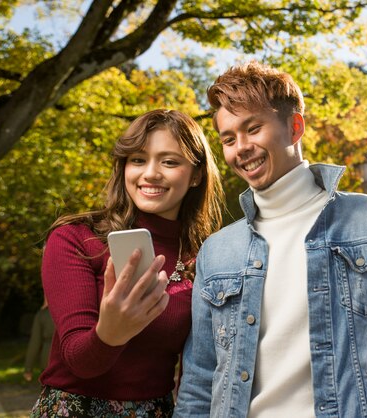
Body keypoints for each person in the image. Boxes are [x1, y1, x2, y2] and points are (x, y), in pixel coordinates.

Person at [175, 61, 367, 417]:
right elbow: (198, 381)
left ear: (294, 127)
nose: (240, 148)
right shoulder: (218, 250)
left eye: (252, 129)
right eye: (228, 139)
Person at [31, 109, 224, 417]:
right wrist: (110, 332)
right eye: (137, 159)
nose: (150, 173)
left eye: (169, 161)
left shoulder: (207, 258)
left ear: (197, 175)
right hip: (75, 409)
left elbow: (198, 372)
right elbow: (79, 360)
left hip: (157, 411)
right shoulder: (77, 238)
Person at [23, 295, 55, 382]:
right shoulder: (74, 311)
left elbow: (35, 343)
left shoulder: (43, 314)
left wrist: (28, 368)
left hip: (48, 360)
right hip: (72, 361)